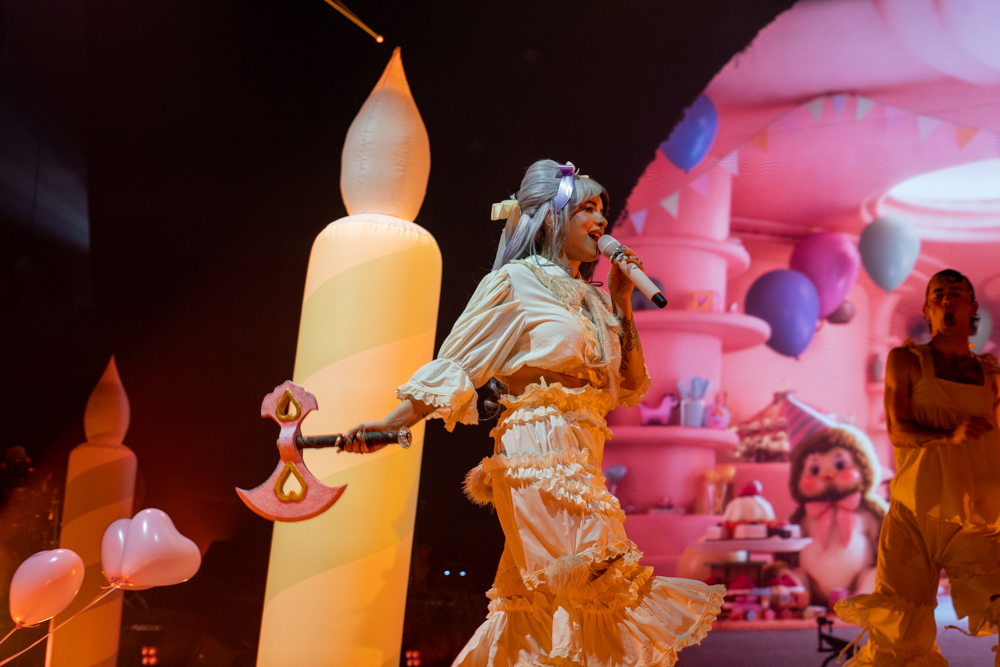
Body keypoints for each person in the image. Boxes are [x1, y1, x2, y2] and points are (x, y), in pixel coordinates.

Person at [344, 159, 724, 666]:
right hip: (535, 449)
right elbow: (456, 364)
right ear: (551, 218)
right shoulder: (516, 282)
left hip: (583, 454)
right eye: (587, 208)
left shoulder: (595, 299)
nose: (601, 220)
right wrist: (390, 425)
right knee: (599, 576)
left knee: (541, 605)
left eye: (603, 210)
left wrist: (621, 301)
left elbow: (629, 385)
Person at [835, 269, 1000, 666]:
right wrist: (949, 435)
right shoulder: (907, 360)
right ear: (927, 309)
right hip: (913, 513)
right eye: (937, 294)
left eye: (955, 293)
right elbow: (898, 430)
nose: (946, 300)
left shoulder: (992, 375)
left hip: (975, 518)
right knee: (900, 628)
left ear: (971, 307)